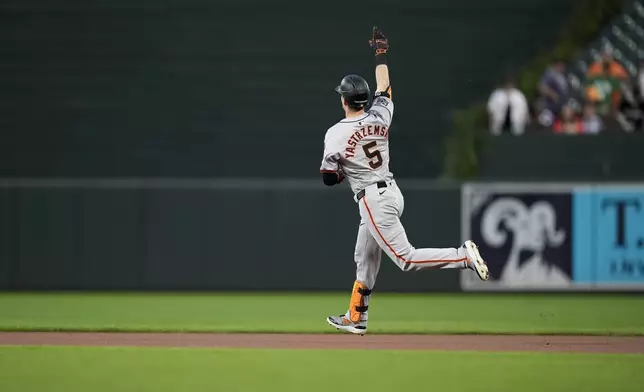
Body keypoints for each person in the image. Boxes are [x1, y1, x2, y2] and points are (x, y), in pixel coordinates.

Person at [319, 26, 489, 336]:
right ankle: (356, 316)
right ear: (363, 99)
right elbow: (385, 86)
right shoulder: (380, 115)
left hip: (372, 198)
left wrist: (343, 170)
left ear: (344, 100)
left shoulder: (336, 133)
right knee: (365, 257)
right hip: (391, 191)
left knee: (405, 258)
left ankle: (462, 256)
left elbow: (328, 177)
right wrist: (381, 53)